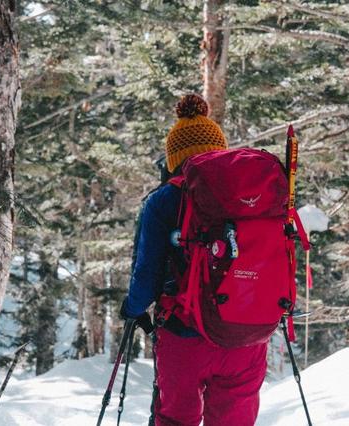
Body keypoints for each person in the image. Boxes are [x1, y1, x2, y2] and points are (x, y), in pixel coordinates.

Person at [120, 94, 269, 426]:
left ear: (174, 159)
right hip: (245, 337)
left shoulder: (164, 200)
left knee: (176, 420)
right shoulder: (250, 196)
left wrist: (132, 308)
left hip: (184, 335)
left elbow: (147, 273)